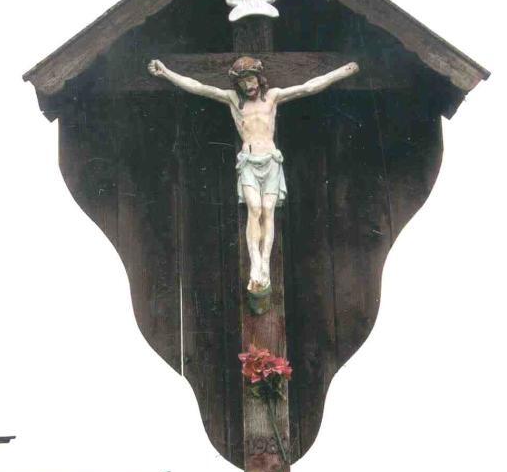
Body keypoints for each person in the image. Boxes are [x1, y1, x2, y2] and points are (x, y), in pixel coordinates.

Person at [148, 55, 359, 293]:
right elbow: (199, 87)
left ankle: (264, 265)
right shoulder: (232, 99)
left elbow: (308, 87)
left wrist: (342, 71)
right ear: (237, 85)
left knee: (268, 211)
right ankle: (255, 265)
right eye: (243, 82)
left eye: (251, 79)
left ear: (259, 78)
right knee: (255, 209)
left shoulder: (273, 96)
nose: (248, 86)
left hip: (271, 161)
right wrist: (166, 73)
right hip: (249, 162)